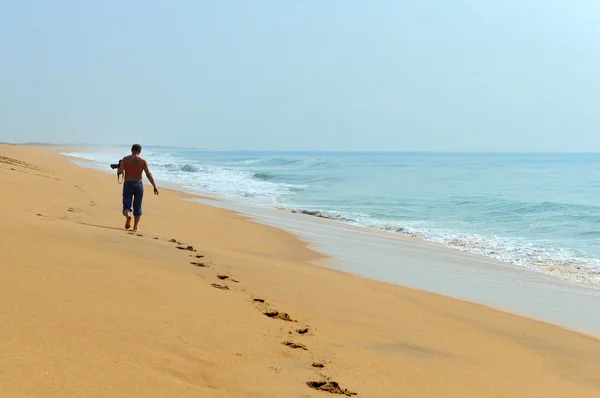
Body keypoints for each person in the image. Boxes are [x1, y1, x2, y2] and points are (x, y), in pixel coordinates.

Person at [117, 144, 159, 231]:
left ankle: (128, 216)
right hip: (138, 184)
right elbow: (148, 174)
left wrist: (119, 168)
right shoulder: (143, 161)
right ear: (140, 151)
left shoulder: (125, 159)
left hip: (128, 183)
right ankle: (135, 227)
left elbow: (120, 171)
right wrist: (154, 186)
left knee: (126, 204)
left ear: (131, 150)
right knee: (138, 206)